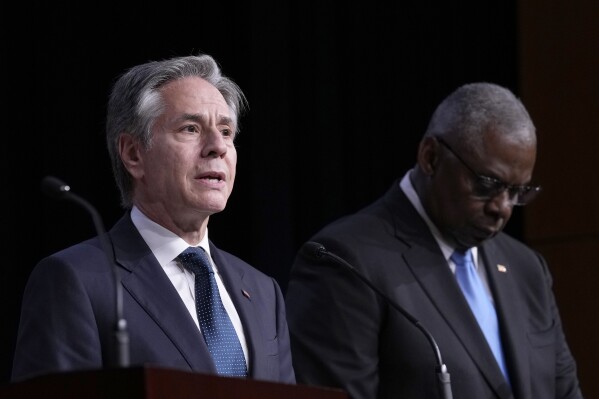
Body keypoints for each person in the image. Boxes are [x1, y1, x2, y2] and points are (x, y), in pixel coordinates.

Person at [285, 83, 583, 398]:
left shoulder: (528, 270)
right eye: (487, 184)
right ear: (431, 158)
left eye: (517, 192)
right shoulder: (346, 262)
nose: (502, 208)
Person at [12, 53, 296, 384]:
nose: (217, 146)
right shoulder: (76, 280)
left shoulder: (263, 292)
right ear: (134, 154)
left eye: (226, 130)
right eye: (191, 128)